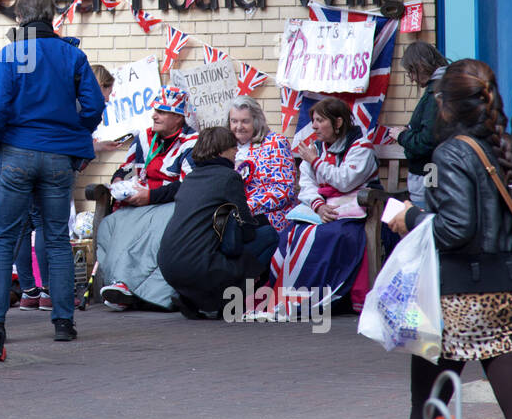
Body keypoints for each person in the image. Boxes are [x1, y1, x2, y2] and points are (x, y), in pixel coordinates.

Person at [392, 59, 512, 419]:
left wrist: (410, 218)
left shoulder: (449, 154)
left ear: (446, 106)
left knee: (429, 402)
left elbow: (454, 229)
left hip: (456, 298)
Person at [0, 0, 104, 342]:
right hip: (59, 159)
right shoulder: (72, 56)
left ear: (21, 18)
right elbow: (94, 107)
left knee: (4, 238)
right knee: (57, 238)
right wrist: (76, 134)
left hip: (15, 155)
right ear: (52, 16)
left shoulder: (10, 54)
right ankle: (63, 322)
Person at [158, 126, 279, 319]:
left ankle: (192, 297)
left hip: (168, 265)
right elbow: (246, 227)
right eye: (233, 148)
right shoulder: (229, 177)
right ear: (221, 151)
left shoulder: (189, 179)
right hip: (200, 265)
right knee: (269, 236)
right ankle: (228, 301)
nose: (236, 152)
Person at [96, 88, 197, 312]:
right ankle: (119, 285)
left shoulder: (192, 142)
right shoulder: (145, 137)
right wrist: (120, 182)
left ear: (178, 117)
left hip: (169, 205)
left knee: (150, 232)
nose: (154, 116)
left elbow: (187, 186)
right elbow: (126, 167)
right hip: (139, 202)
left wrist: (150, 196)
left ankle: (138, 291)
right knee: (110, 225)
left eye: (161, 111)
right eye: (155, 110)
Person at [273, 97, 377, 310]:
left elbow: (345, 181)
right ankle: (291, 296)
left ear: (338, 123)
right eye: (313, 120)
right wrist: (318, 205)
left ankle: (325, 298)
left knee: (330, 235)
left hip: (358, 210)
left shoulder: (361, 147)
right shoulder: (316, 148)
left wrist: (315, 161)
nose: (314, 126)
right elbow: (306, 182)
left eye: (320, 120)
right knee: (291, 234)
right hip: (323, 208)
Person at [391, 42, 448, 208]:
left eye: (411, 71)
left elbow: (427, 141)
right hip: (437, 174)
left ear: (421, 66)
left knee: (425, 225)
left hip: (430, 175)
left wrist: (401, 135)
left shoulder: (436, 93)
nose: (411, 77)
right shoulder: (446, 85)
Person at [226, 95, 296, 233]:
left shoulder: (275, 143)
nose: (238, 127)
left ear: (256, 121)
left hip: (268, 218)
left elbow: (284, 190)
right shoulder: (224, 146)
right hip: (232, 217)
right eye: (234, 121)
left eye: (245, 121)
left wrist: (246, 207)